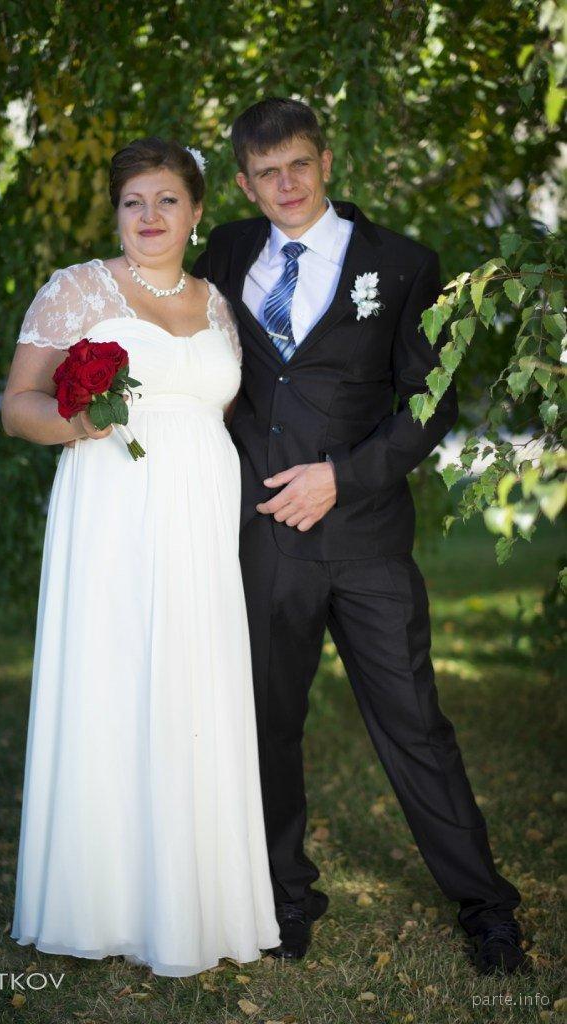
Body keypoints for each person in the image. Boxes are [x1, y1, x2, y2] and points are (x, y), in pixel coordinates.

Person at [192, 97, 526, 975]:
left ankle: (488, 908)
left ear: (326, 162)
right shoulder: (225, 252)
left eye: (299, 165)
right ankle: (285, 896)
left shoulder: (403, 263)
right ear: (244, 184)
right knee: (267, 725)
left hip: (368, 537)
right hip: (266, 538)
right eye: (267, 174)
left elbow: (431, 402)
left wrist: (342, 477)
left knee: (415, 723)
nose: (287, 185)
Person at [1, 137, 280, 977]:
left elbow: (218, 414)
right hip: (112, 511)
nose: (150, 216)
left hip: (201, 522)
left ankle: (193, 904)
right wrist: (77, 421)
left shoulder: (219, 304)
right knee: (113, 681)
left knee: (193, 686)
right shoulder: (77, 289)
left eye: (167, 200)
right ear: (116, 212)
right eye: (134, 201)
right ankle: (102, 903)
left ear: (196, 213)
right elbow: (18, 406)